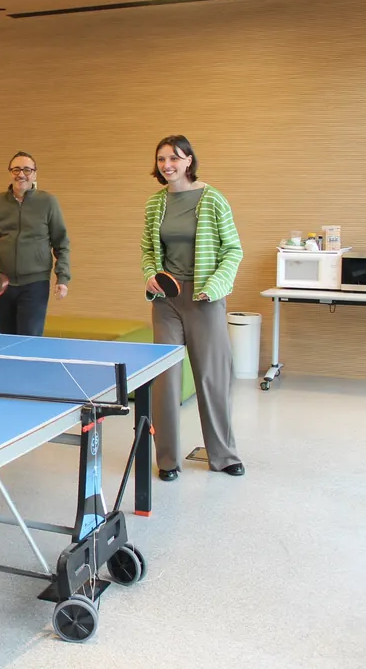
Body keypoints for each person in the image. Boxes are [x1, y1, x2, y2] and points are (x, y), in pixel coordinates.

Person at [140, 134, 245, 481]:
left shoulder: (213, 199)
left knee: (212, 377)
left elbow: (233, 250)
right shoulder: (155, 204)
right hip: (167, 302)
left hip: (205, 300)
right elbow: (148, 251)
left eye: (174, 158)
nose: (167, 165)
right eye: (161, 159)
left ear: (188, 160)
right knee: (165, 381)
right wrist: (150, 274)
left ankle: (224, 455)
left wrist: (214, 286)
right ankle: (167, 460)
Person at [0, 151, 71, 336]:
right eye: (16, 169)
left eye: (27, 170)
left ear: (35, 174)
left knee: (29, 339)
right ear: (10, 173)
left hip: (35, 283)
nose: (21, 174)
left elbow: (61, 243)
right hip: (3, 283)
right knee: (7, 338)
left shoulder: (48, 202)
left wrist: (63, 278)